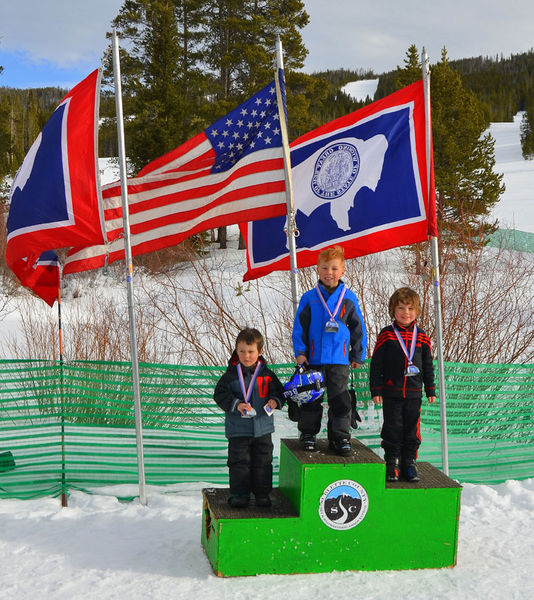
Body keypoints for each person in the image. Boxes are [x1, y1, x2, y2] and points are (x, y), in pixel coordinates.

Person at [292, 245, 367, 455]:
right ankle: (308, 434)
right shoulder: (309, 297)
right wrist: (300, 352)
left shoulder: (349, 297)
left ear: (342, 271)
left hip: (339, 359)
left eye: (334, 268)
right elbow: (300, 327)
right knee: (311, 398)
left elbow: (358, 327)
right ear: (317, 269)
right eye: (325, 268)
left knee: (340, 400)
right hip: (312, 360)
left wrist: (357, 354)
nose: (329, 273)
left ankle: (340, 437)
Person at [369, 287, 436, 482]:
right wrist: (376, 388)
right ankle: (392, 463)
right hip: (391, 391)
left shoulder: (422, 336)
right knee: (393, 427)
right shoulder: (387, 334)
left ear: (417, 311)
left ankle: (409, 463)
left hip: (414, 392)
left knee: (411, 429)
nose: (406, 313)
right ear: (393, 310)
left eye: (410, 308)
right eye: (401, 308)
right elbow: (377, 364)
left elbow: (427, 365)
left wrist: (430, 388)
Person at [214, 327, 284, 508]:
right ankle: (239, 495)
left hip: (263, 428)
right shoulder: (230, 376)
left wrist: (275, 401)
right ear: (236, 351)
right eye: (242, 351)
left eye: (251, 351)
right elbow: (219, 395)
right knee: (239, 463)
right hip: (238, 430)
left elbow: (279, 393)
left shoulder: (268, 375)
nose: (246, 356)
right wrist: (236, 404)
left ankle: (262, 495)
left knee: (263, 462)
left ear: (260, 352)